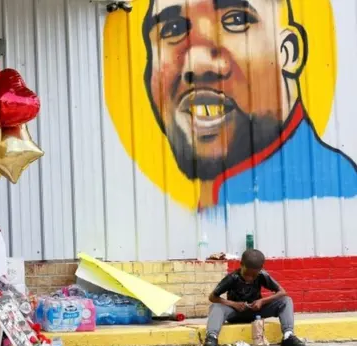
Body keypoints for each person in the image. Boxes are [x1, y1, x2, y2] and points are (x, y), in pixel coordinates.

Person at [141, 0, 357, 209]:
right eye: (172, 29)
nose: (197, 64)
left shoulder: (336, 192)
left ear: (288, 52)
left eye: (235, 20)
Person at [203, 249, 305, 346]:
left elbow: (282, 292)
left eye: (253, 275)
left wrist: (262, 301)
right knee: (216, 307)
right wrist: (233, 304)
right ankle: (212, 337)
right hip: (235, 313)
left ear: (260, 269)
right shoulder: (232, 277)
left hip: (257, 312)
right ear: (241, 264)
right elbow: (212, 297)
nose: (249, 278)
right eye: (246, 274)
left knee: (286, 301)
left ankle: (288, 336)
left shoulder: (262, 275)